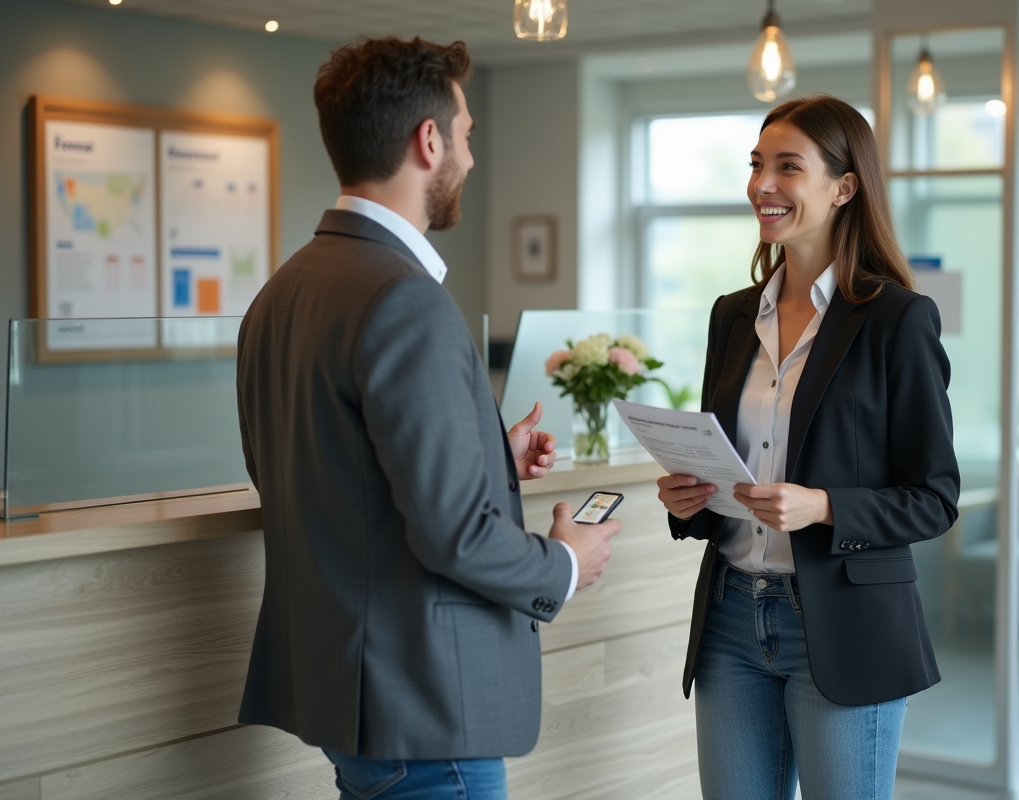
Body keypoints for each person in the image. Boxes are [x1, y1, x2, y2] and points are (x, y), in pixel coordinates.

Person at [235, 37, 620, 800]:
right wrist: (566, 564)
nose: (472, 160)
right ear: (430, 140)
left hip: (352, 699)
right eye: (468, 136)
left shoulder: (281, 293)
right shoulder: (404, 299)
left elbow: (330, 474)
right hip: (427, 712)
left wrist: (485, 457)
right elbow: (455, 535)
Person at [655, 95, 960, 800]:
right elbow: (726, 466)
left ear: (844, 187)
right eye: (757, 165)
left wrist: (823, 506)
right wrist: (691, 498)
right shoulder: (733, 315)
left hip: (845, 626)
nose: (763, 184)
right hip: (731, 618)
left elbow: (936, 497)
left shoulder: (897, 320)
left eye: (788, 167)